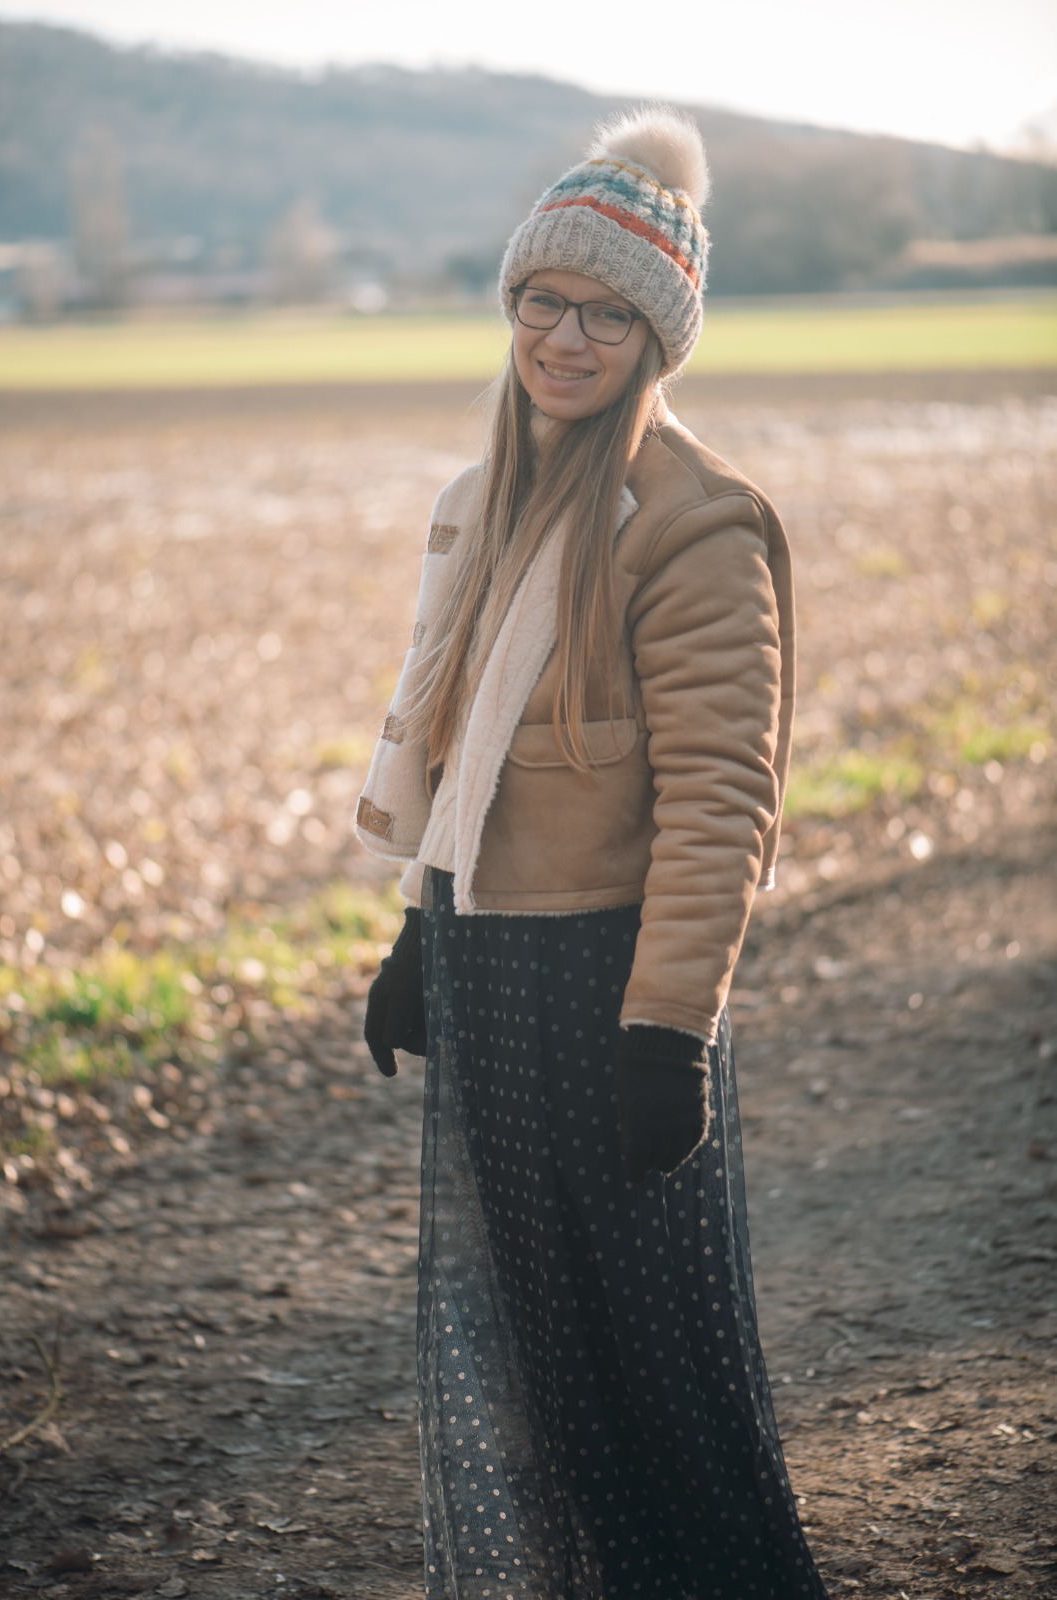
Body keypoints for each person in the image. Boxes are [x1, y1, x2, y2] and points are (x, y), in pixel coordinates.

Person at [357, 106, 829, 1600]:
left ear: (657, 335)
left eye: (606, 314)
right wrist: (423, 938)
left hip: (613, 989)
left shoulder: (693, 526)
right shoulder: (487, 498)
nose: (563, 339)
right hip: (495, 974)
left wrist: (666, 1032)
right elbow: (459, 760)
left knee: (655, 1362)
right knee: (547, 1345)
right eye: (540, 302)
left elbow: (717, 799)